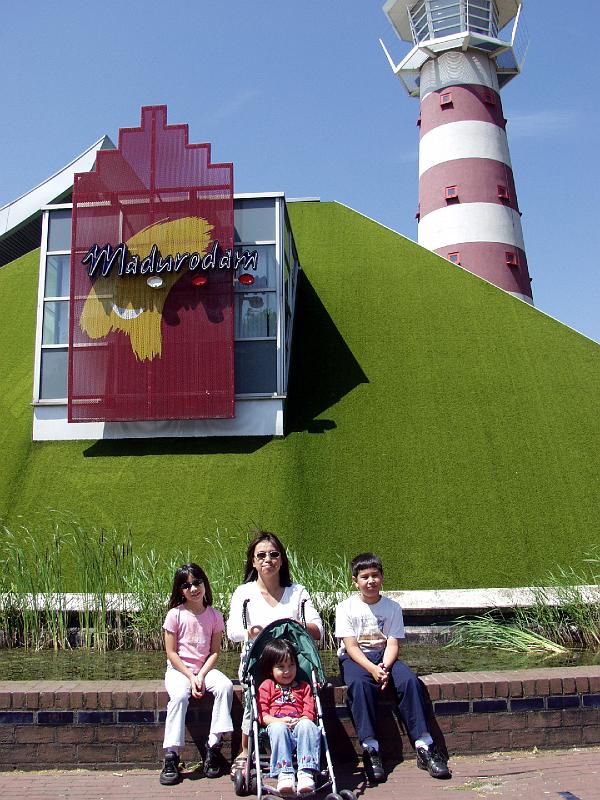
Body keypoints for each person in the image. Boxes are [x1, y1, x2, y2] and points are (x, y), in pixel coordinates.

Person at [335, 553, 450, 782]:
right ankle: (371, 748)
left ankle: (424, 745)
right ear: (355, 581)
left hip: (384, 655)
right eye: (364, 577)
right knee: (359, 685)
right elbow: (350, 646)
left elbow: (393, 643)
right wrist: (372, 669)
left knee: (409, 681)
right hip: (356, 658)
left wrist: (384, 668)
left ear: (382, 577)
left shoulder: (392, 607)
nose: (370, 581)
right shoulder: (345, 607)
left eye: (375, 575)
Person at [227, 531, 323, 776]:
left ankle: (305, 756)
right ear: (253, 561)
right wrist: (250, 632)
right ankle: (244, 750)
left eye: (273, 554)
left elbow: (317, 629)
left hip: (292, 663)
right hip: (258, 661)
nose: (267, 559)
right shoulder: (243, 593)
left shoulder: (297, 592)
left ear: (281, 559)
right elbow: (232, 631)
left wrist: (299, 626)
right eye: (261, 555)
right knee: (253, 698)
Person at [159, 563, 234, 786]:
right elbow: (171, 653)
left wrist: (200, 675)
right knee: (180, 697)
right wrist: (190, 677)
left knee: (225, 687)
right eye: (186, 585)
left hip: (205, 669)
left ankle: (213, 747)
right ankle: (172, 755)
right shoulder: (175, 615)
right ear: (180, 590)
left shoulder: (214, 615)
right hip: (178, 671)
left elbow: (215, 652)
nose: (193, 589)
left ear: (204, 583)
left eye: (197, 582)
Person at [257, 639, 321, 794]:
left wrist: (301, 720)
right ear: (270, 669)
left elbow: (309, 712)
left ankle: (306, 772)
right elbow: (263, 715)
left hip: (299, 724)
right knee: (278, 728)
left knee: (308, 725)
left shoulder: (304, 687)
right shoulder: (267, 686)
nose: (287, 671)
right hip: (276, 724)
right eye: (281, 667)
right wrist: (279, 721)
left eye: (291, 665)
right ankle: (284, 773)